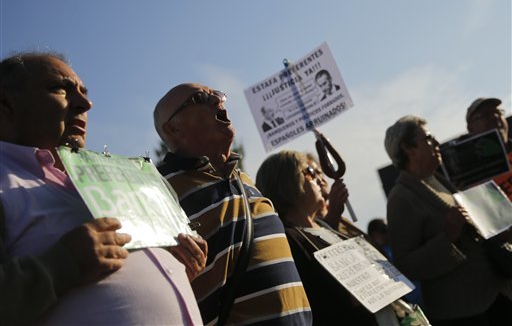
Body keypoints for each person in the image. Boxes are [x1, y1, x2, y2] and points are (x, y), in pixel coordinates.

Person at [0, 52, 206, 324]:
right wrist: (61, 264)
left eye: (84, 92)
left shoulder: (104, 180)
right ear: (6, 104)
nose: (85, 103)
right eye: (59, 88)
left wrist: (172, 261)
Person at [153, 83, 312, 325]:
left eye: (216, 94)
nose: (216, 100)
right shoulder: (158, 190)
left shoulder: (244, 179)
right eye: (200, 98)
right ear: (173, 128)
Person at [384, 115, 512, 325]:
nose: (436, 142)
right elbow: (406, 265)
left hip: (495, 296)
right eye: (428, 138)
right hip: (463, 313)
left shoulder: (439, 180)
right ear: (408, 148)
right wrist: (448, 236)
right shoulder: (401, 198)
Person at [256, 150, 378, 326]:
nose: (320, 181)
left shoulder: (327, 228)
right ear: (289, 182)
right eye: (310, 173)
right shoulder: (288, 241)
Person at [466, 97, 512, 200]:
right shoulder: (471, 175)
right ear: (471, 129)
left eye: (498, 112)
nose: (495, 117)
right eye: (486, 115)